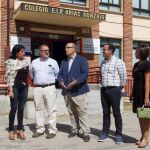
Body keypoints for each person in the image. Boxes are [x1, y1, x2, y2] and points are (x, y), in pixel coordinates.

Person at [57, 42, 90, 142]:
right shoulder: (64, 61)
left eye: (68, 47)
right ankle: (75, 129)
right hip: (67, 91)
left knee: (81, 111)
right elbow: (59, 74)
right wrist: (60, 81)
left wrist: (76, 82)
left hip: (78, 90)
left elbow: (85, 74)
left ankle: (85, 132)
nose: (66, 49)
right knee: (72, 112)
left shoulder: (82, 60)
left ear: (74, 49)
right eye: (65, 47)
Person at [30, 44, 59, 139]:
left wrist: (48, 82)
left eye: (48, 50)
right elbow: (31, 75)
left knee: (51, 109)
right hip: (37, 88)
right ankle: (40, 129)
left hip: (49, 87)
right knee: (38, 109)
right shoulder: (34, 62)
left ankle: (52, 130)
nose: (47, 52)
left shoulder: (53, 62)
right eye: (44, 50)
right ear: (40, 52)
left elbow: (57, 74)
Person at [99, 43, 127, 144]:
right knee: (105, 113)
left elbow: (124, 77)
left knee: (116, 113)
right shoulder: (102, 63)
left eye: (104, 49)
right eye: (103, 49)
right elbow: (102, 75)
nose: (103, 51)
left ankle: (119, 135)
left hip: (115, 90)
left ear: (110, 51)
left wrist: (119, 89)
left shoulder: (118, 62)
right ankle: (105, 133)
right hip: (104, 90)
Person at [5, 44, 29, 140]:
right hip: (14, 87)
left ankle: (20, 130)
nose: (24, 53)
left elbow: (28, 74)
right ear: (16, 53)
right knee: (14, 107)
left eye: (24, 51)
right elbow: (8, 76)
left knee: (21, 108)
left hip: (24, 87)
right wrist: (10, 89)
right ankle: (11, 129)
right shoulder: (9, 62)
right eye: (22, 51)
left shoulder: (26, 62)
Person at [130, 46, 150, 148]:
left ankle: (146, 139)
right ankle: (143, 136)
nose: (135, 53)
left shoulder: (147, 64)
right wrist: (132, 92)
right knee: (140, 115)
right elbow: (135, 80)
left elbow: (147, 81)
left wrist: (146, 97)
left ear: (142, 52)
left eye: (137, 51)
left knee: (145, 116)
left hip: (144, 94)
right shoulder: (136, 64)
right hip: (137, 93)